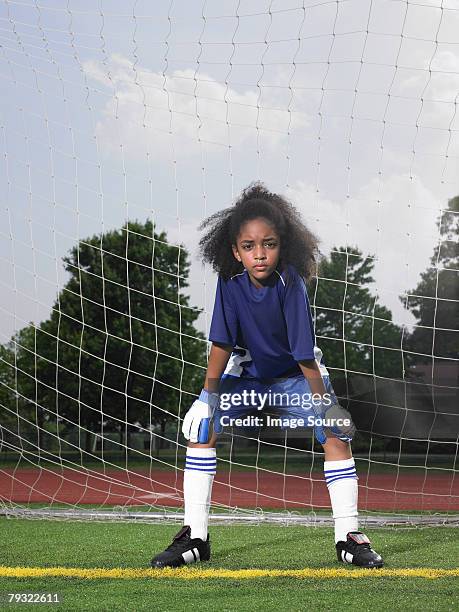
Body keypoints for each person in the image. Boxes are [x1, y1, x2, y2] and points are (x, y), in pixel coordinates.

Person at [150, 183, 383, 569]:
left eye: (269, 244)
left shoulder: (290, 283)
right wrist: (207, 397)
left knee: (337, 433)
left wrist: (326, 406)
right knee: (201, 429)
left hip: (296, 378)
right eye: (248, 246)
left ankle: (349, 537)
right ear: (234, 251)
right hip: (248, 379)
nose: (259, 254)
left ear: (282, 245)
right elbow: (221, 345)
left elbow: (304, 355)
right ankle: (194, 536)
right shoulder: (229, 283)